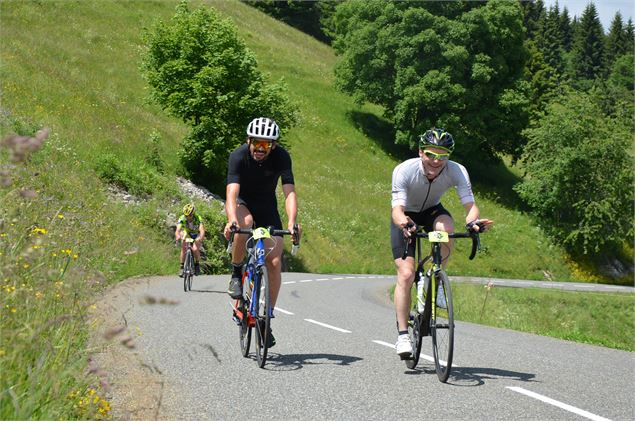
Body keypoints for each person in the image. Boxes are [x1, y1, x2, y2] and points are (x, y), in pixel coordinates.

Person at [390, 128, 492, 358]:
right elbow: (397, 210)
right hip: (406, 215)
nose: (436, 161)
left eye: (443, 155)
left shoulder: (457, 171)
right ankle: (403, 335)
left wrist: (473, 221)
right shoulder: (404, 170)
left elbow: (470, 205)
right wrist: (404, 225)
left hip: (432, 211)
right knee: (405, 274)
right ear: (420, 152)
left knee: (446, 228)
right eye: (430, 154)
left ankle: (435, 278)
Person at [223, 117, 300, 347]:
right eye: (256, 142)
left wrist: (292, 222)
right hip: (243, 203)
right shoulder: (238, 156)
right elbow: (231, 193)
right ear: (249, 140)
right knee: (243, 223)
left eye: (266, 144)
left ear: (273, 146)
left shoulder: (282, 157)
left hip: (267, 208)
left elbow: (289, 193)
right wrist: (231, 220)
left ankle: (266, 319)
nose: (260, 148)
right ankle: (237, 274)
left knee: (275, 262)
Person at [175, 203, 205, 276]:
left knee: (195, 249)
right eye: (186, 216)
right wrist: (177, 235)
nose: (188, 217)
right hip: (188, 233)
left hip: (196, 234)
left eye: (190, 215)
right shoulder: (182, 218)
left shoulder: (198, 218)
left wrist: (200, 238)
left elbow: (202, 230)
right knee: (184, 248)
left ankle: (197, 265)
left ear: (193, 214)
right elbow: (178, 229)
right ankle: (182, 267)